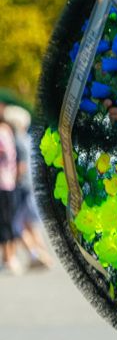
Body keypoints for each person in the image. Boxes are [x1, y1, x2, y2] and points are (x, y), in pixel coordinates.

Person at [4, 104, 52, 270]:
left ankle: (35, 255)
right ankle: (42, 254)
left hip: (21, 186)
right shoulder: (28, 138)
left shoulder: (16, 139)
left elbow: (21, 165)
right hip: (30, 185)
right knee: (32, 223)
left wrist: (14, 180)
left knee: (17, 223)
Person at [0, 102, 18, 275]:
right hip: (8, 181)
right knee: (6, 221)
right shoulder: (7, 130)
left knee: (5, 222)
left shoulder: (2, 131)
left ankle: (10, 257)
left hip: (3, 182)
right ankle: (7, 257)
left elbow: (5, 153)